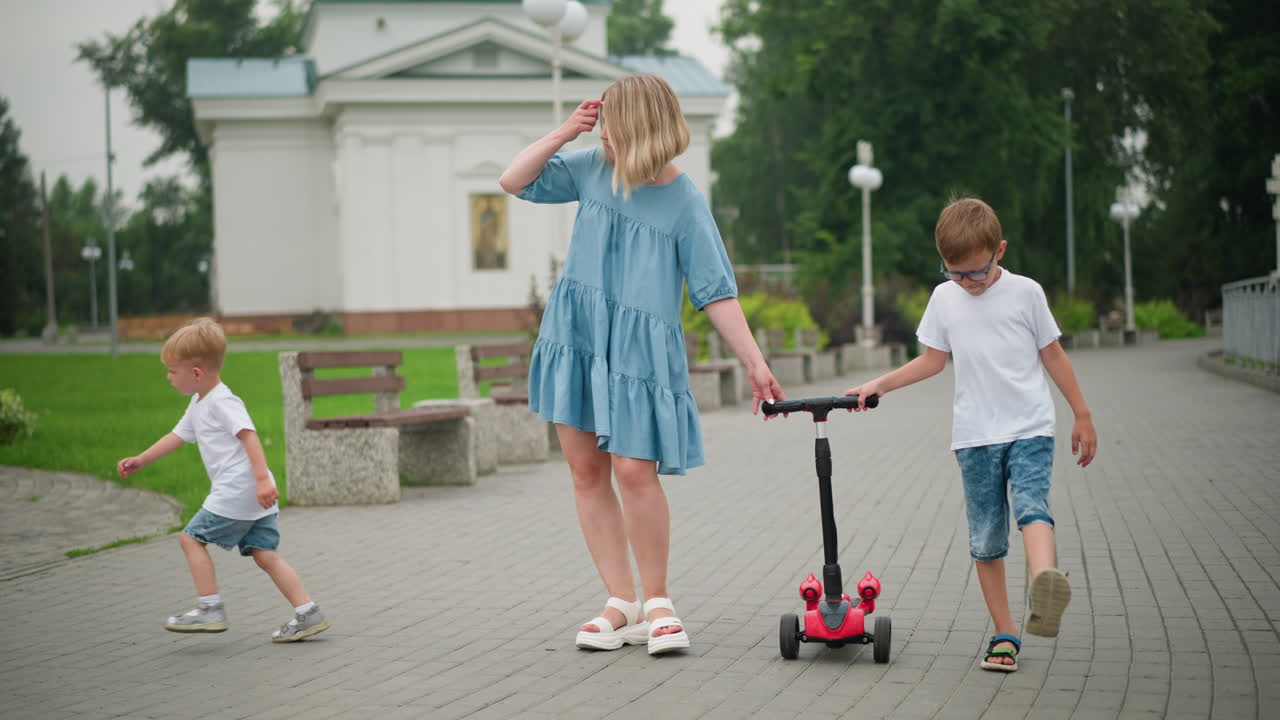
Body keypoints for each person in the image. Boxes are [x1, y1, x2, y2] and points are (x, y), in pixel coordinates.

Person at [498, 75, 786, 655]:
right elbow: (514, 179)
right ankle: (619, 602)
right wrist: (564, 131)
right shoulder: (588, 168)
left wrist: (755, 363)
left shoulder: (684, 201)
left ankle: (658, 602)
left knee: (634, 473)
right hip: (578, 340)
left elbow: (715, 291)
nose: (603, 133)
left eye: (611, 123)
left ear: (640, 126)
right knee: (586, 472)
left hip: (638, 355)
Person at [843, 197, 1097, 672]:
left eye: (977, 273)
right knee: (985, 539)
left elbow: (1054, 356)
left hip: (1029, 425)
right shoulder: (945, 298)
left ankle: (1045, 584)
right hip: (975, 435)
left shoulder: (1026, 293)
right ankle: (1005, 634)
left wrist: (1081, 414)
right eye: (955, 273)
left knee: (1032, 506)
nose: (967, 283)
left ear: (999, 251)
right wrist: (880, 384)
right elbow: (932, 361)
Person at [117, 317, 330, 643]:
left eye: (173, 372)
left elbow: (249, 436)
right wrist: (141, 460)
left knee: (190, 540)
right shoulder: (199, 403)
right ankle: (308, 612)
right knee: (265, 555)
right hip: (253, 494)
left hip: (242, 489)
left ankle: (210, 608)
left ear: (197, 373)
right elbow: (177, 436)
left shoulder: (222, 401)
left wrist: (261, 480)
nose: (169, 377)